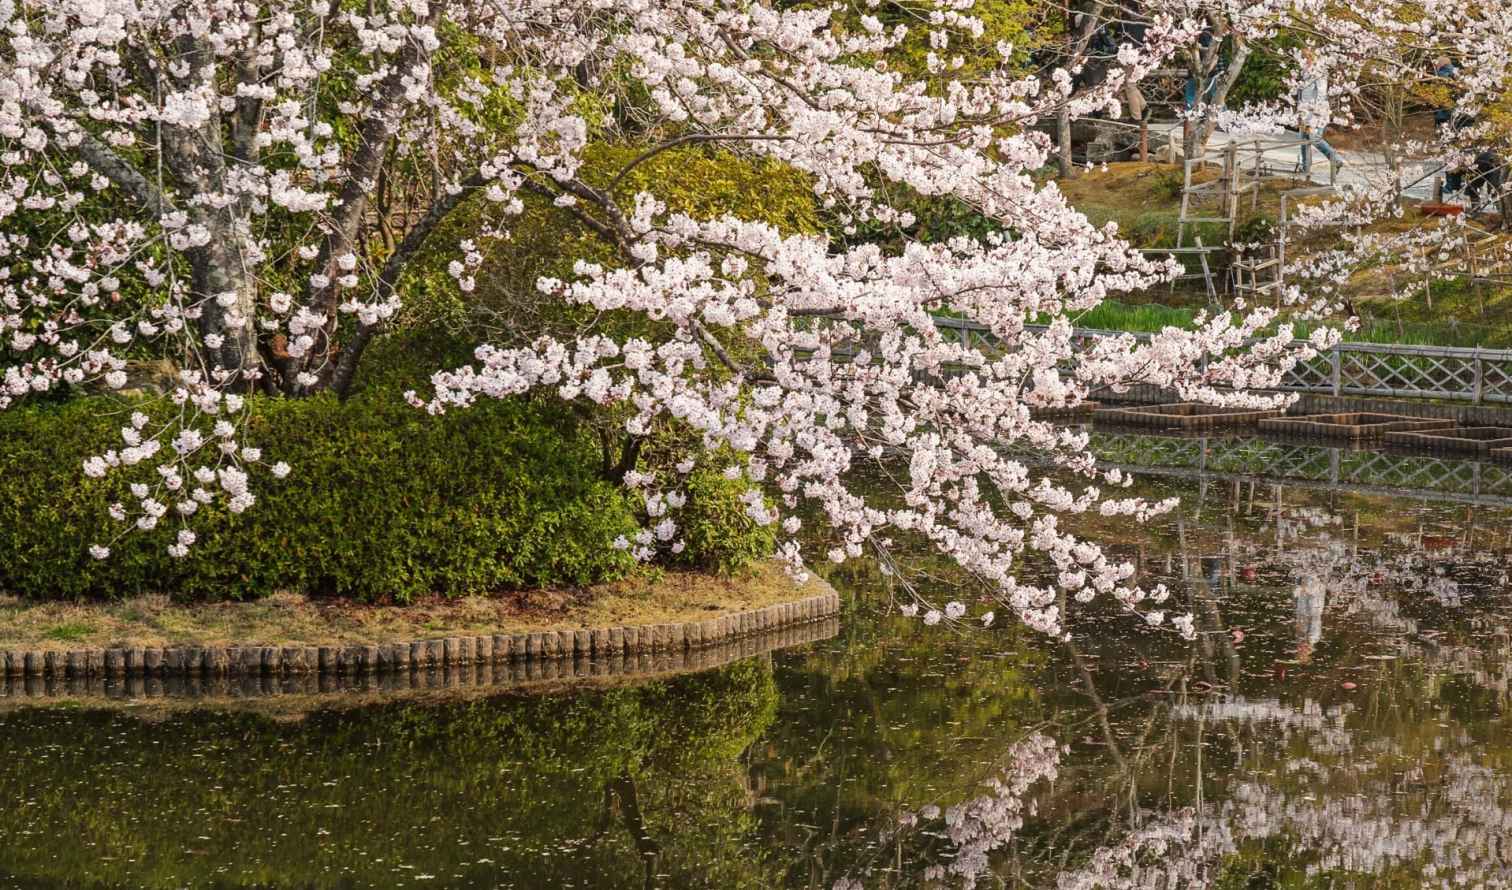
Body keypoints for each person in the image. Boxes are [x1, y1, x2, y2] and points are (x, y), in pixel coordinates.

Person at [1295, 48, 1344, 180]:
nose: (1305, 61)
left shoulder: (1319, 72)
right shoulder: (1303, 73)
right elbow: (1300, 95)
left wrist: (1314, 113)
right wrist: (1299, 113)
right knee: (1303, 139)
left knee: (1314, 138)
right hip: (1304, 112)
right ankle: (1305, 169)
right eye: (1303, 59)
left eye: (1307, 59)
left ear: (1312, 58)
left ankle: (1336, 159)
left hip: (1317, 112)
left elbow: (1321, 94)